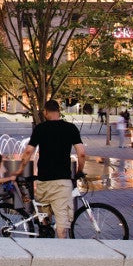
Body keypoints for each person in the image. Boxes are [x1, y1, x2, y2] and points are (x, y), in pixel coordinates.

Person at [18, 99, 86, 239]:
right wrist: (79, 171)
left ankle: (43, 245)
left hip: (44, 182)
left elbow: (27, 153)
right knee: (62, 225)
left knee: (44, 220)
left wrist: (20, 170)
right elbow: (82, 153)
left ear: (46, 112)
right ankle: (60, 256)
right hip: (62, 182)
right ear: (59, 111)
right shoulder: (71, 128)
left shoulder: (40, 128)